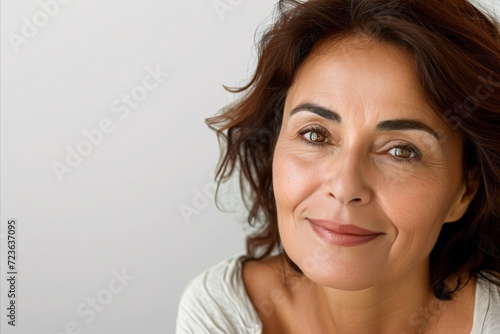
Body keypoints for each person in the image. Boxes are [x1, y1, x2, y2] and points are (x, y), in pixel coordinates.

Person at [176, 0, 500, 332]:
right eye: (315, 134)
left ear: (465, 189)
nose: (345, 187)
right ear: (272, 146)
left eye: (402, 151)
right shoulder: (222, 311)